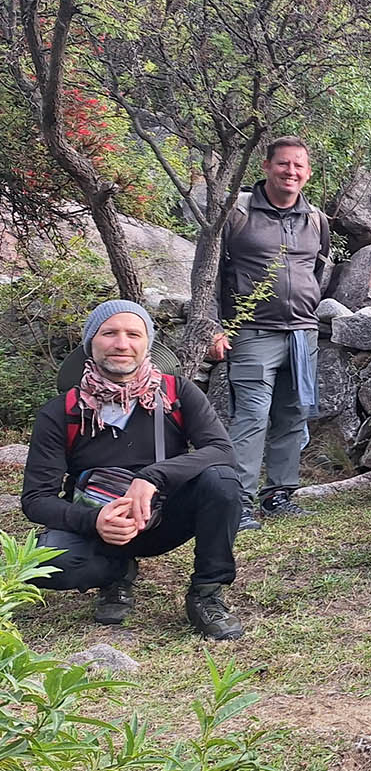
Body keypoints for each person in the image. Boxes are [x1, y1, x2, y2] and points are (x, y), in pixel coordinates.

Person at [23, 301, 244, 638]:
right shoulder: (61, 412)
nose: (122, 344)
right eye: (109, 333)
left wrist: (152, 477)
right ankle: (115, 574)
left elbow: (221, 451)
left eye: (133, 334)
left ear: (147, 343)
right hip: (98, 523)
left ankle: (206, 593)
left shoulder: (177, 393)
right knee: (41, 566)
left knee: (221, 480)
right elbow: (36, 498)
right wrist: (94, 520)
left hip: (164, 518)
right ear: (90, 343)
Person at [210, 135, 328, 529]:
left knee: (292, 415)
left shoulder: (315, 219)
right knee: (252, 416)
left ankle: (279, 495)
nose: (291, 171)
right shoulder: (237, 213)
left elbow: (317, 271)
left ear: (308, 173)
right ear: (266, 166)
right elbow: (208, 273)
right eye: (283, 164)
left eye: (299, 166)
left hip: (301, 333)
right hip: (252, 332)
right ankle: (238, 502)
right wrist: (213, 327)